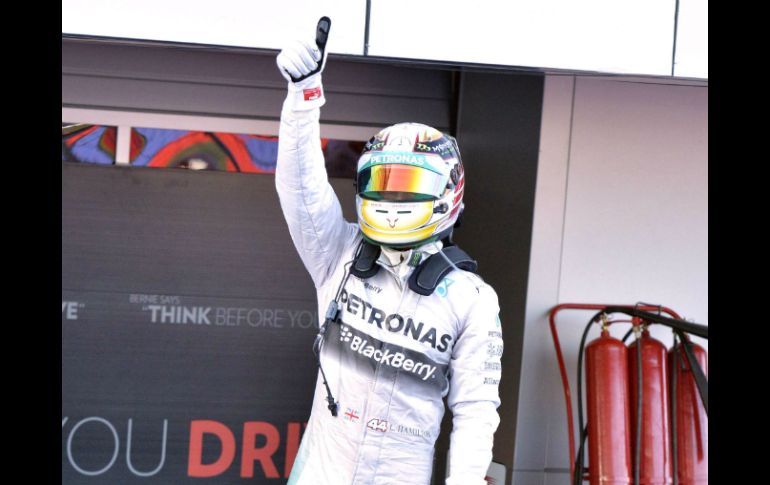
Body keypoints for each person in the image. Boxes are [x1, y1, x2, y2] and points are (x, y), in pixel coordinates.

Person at [275, 22, 503, 485]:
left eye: (410, 185)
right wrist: (303, 98)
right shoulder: (339, 255)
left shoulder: (472, 299)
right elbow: (301, 189)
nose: (392, 198)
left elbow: (476, 411)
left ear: (448, 191)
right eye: (381, 182)